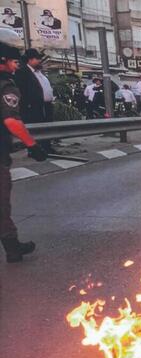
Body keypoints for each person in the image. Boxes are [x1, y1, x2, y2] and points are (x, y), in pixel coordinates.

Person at [0, 39, 48, 263]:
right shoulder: (6, 85)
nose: (16, 65)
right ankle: (13, 248)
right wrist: (33, 145)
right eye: (13, 60)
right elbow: (11, 121)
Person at [14, 49, 53, 150]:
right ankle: (36, 149)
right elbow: (22, 90)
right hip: (33, 106)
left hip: (45, 105)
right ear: (30, 60)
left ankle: (47, 147)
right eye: (37, 59)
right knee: (37, 128)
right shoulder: (23, 72)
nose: (39, 61)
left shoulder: (38, 72)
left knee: (46, 127)